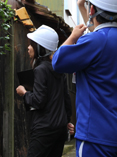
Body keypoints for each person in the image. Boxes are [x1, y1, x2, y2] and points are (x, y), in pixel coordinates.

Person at [52, 0, 117, 157]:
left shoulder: (95, 41)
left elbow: (58, 61)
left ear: (91, 10)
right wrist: (81, 7)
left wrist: (72, 36)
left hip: (98, 136)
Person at [16, 25, 75, 157]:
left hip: (44, 128)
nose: (28, 48)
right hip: (59, 129)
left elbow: (39, 101)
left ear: (39, 48)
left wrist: (24, 93)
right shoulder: (59, 70)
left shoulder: (40, 70)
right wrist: (67, 121)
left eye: (32, 45)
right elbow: (66, 99)